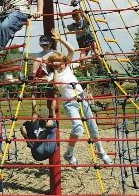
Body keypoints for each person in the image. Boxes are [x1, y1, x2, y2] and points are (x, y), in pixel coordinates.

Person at [46, 29, 112, 166]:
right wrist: (54, 69)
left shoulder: (68, 67)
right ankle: (69, 153)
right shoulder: (52, 75)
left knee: (93, 127)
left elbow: (71, 50)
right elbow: (56, 84)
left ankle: (100, 150)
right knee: (78, 128)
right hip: (70, 103)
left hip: (82, 98)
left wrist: (60, 40)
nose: (61, 63)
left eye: (62, 61)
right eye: (58, 62)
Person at [66, 9, 102, 73]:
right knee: (81, 59)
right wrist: (62, 18)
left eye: (78, 16)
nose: (77, 18)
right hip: (82, 43)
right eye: (75, 17)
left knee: (96, 53)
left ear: (80, 16)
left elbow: (88, 21)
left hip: (89, 39)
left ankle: (102, 68)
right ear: (73, 18)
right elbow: (66, 27)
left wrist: (83, 14)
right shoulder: (73, 25)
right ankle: (86, 72)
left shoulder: (83, 21)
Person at [32, 34, 56, 118]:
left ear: (50, 44)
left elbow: (56, 67)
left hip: (51, 74)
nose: (45, 46)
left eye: (46, 44)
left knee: (52, 95)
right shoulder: (39, 54)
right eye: (43, 44)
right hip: (42, 74)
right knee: (37, 60)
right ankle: (33, 76)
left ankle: (52, 116)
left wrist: (45, 61)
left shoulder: (54, 52)